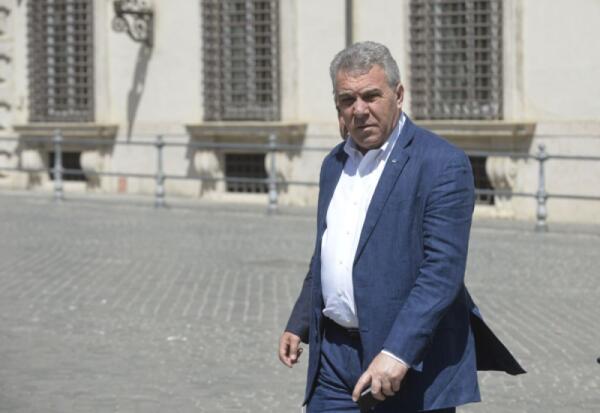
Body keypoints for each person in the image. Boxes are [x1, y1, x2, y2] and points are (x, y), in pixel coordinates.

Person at [278, 41, 525, 413]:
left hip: (409, 365)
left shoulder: (441, 163)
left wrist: (398, 352)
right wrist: (299, 322)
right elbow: (328, 249)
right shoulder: (334, 163)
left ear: (398, 94)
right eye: (347, 100)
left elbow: (442, 271)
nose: (360, 109)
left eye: (371, 96)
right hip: (333, 362)